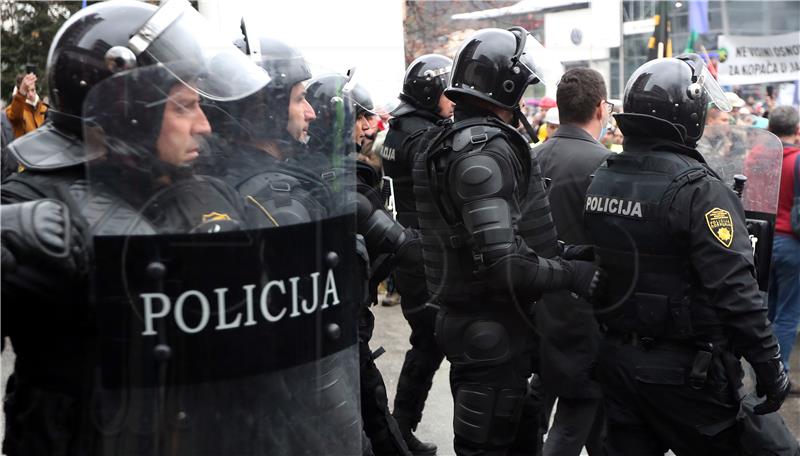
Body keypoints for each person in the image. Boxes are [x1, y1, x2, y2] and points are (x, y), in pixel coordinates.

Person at [1, 1, 271, 453]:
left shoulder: (204, 192)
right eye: (185, 107)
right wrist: (14, 238)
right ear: (125, 111)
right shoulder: (34, 202)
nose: (204, 125)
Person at [584, 54, 796, 455]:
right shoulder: (701, 190)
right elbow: (737, 293)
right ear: (691, 114)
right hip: (686, 375)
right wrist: (771, 369)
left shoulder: (604, 176)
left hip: (617, 361)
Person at [410, 27, 602, 456]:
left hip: (492, 330)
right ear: (506, 85)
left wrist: (571, 254)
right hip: (489, 336)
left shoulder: (458, 141)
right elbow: (503, 263)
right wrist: (573, 273)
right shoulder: (482, 152)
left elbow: (500, 241)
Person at [307, 73, 418, 456]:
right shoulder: (337, 180)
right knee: (366, 422)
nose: (370, 126)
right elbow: (397, 243)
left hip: (347, 317)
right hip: (340, 326)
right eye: (359, 118)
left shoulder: (333, 170)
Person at [534, 67, 611, 456]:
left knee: (571, 416)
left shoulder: (531, 157)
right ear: (601, 108)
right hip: (584, 310)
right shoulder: (606, 165)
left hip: (534, 302)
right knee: (572, 420)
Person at [379, 53, 453, 456]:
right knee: (439, 342)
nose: (453, 101)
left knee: (426, 343)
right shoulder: (425, 136)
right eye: (447, 93)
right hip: (428, 254)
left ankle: (401, 429)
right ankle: (401, 430)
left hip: (409, 248)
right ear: (430, 94)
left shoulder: (399, 128)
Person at [766, 105, 800, 371]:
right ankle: (780, 374)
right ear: (797, 130)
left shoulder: (756, 155)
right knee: (787, 314)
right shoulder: (797, 159)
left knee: (767, 312)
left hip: (762, 243)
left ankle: (762, 373)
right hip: (791, 243)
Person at [5, 72, 47, 139]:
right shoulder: (11, 110)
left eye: (32, 90)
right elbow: (15, 117)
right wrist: (21, 94)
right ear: (20, 91)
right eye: (27, 91)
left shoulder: (44, 108)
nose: (30, 94)